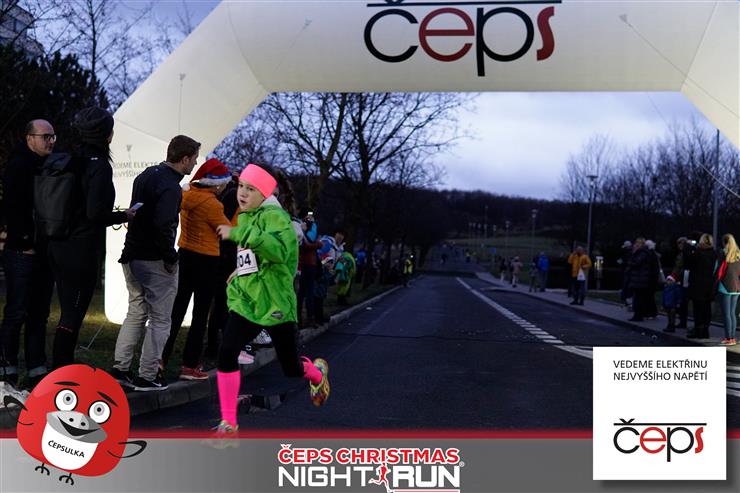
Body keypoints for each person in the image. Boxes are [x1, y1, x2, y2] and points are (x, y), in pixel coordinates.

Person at [213, 163, 330, 436]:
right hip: (249, 301)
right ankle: (228, 422)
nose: (242, 193)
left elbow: (277, 251)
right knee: (227, 351)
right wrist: (240, 271)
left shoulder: (277, 218)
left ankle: (316, 373)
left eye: (250, 189)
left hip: (276, 304)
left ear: (265, 193)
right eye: (241, 186)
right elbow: (254, 255)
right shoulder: (247, 215)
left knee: (291, 368)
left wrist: (238, 233)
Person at [111, 135, 201, 391]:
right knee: (161, 319)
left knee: (136, 312)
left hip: (131, 255)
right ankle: (148, 375)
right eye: (194, 159)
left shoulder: (146, 175)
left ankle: (120, 369)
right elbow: (163, 225)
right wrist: (170, 257)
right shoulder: (171, 187)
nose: (195, 164)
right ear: (184, 159)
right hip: (154, 260)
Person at [47, 108, 133, 369]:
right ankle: (61, 369)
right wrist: (124, 215)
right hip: (81, 250)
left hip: (58, 244)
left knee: (67, 310)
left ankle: (61, 367)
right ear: (106, 135)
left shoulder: (70, 160)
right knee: (72, 315)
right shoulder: (99, 166)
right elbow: (95, 213)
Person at [161, 158, 232, 380]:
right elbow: (227, 231)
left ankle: (160, 359)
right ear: (216, 184)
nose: (225, 188)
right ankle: (190, 365)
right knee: (200, 315)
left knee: (176, 311)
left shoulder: (186, 195)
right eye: (224, 183)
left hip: (185, 255)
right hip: (207, 261)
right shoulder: (213, 205)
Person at [0, 120, 56, 389]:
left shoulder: (48, 166)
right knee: (17, 312)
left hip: (42, 252)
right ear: (29, 138)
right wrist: (24, 241)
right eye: (45, 136)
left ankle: (36, 372)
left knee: (38, 314)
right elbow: (13, 206)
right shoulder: (19, 166)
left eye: (53, 136)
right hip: (23, 251)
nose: (51, 141)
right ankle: (7, 372)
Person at [205, 173, 239, 360]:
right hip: (229, 254)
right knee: (224, 303)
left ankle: (214, 345)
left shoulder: (225, 196)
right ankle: (221, 346)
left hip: (221, 253)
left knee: (219, 304)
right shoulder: (234, 197)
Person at [685, 234, 715, 339]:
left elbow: (688, 263)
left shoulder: (698, 253)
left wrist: (689, 247)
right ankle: (705, 330)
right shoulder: (714, 253)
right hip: (709, 284)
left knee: (698, 309)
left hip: (697, 284)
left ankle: (698, 331)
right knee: (707, 308)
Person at [297, 212, 322, 328]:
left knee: (302, 293)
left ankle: (300, 319)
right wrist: (318, 244)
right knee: (307, 293)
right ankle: (309, 318)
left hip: (303, 265)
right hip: (309, 265)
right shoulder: (309, 232)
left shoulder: (302, 231)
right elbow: (312, 244)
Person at [715, 234, 739, 346]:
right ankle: (732, 338)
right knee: (732, 313)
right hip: (737, 286)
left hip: (725, 286)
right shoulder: (738, 255)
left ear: (724, 242)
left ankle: (729, 338)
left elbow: (717, 270)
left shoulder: (723, 254)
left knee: (726, 314)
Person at [627, 238, 650, 321]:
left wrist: (630, 262)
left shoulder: (642, 253)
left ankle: (638, 315)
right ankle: (637, 315)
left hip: (640, 278)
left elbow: (637, 263)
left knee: (639, 298)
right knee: (637, 297)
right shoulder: (640, 252)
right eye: (636, 242)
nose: (636, 244)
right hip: (638, 278)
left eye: (639, 243)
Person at [670, 237, 689, 329]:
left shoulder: (683, 254)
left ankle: (682, 321)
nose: (679, 245)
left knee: (682, 301)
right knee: (682, 301)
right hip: (684, 278)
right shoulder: (684, 253)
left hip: (682, 278)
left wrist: (673, 276)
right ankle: (682, 320)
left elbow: (678, 266)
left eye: (680, 243)